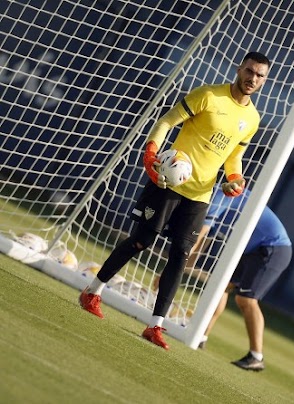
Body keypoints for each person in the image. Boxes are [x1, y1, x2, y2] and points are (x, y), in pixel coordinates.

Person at [78, 51, 271, 351]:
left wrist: (235, 179)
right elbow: (167, 121)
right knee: (141, 241)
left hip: (200, 195)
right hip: (168, 182)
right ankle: (93, 291)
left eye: (260, 75)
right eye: (250, 71)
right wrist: (151, 152)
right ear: (239, 68)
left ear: (264, 80)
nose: (253, 79)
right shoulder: (208, 95)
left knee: (180, 256)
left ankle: (155, 326)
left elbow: (234, 157)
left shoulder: (253, 118)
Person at [155, 188, 292, 371]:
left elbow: (198, 238)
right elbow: (201, 245)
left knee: (246, 300)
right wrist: (178, 269)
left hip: (273, 249)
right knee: (220, 287)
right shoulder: (218, 197)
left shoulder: (222, 195)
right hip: (252, 250)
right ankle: (201, 336)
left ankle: (256, 356)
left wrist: (169, 270)